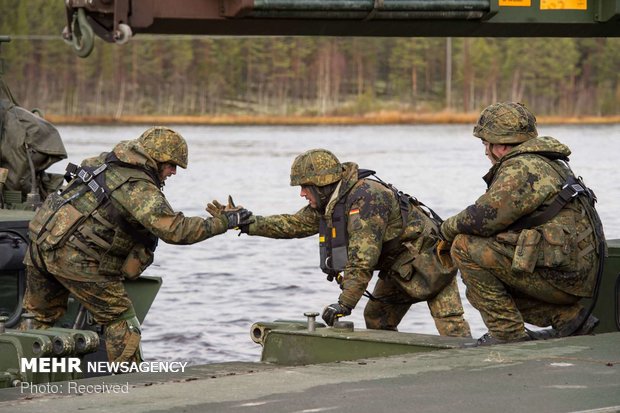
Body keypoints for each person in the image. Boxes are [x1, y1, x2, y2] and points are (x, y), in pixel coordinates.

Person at [21, 126, 252, 362]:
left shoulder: (102, 161)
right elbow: (176, 230)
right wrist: (225, 221)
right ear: (155, 158)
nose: (173, 172)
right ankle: (130, 388)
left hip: (40, 247)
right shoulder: (138, 187)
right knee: (122, 321)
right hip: (76, 259)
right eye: (171, 164)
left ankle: (23, 379)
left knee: (39, 320)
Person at [218, 149, 471, 337]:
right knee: (377, 318)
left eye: (305, 187)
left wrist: (344, 303)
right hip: (399, 268)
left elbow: (363, 259)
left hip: (431, 260)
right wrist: (244, 222)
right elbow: (291, 224)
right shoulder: (331, 202)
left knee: (452, 326)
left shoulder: (367, 199)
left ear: (322, 184)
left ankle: (474, 374)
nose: (302, 193)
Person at [440, 102, 606, 345]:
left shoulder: (524, 167)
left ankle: (508, 335)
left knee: (465, 246)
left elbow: (482, 219)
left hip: (565, 277)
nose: (486, 151)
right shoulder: (548, 162)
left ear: (501, 145)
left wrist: (445, 229)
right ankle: (569, 319)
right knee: (483, 284)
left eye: (486, 144)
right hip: (575, 273)